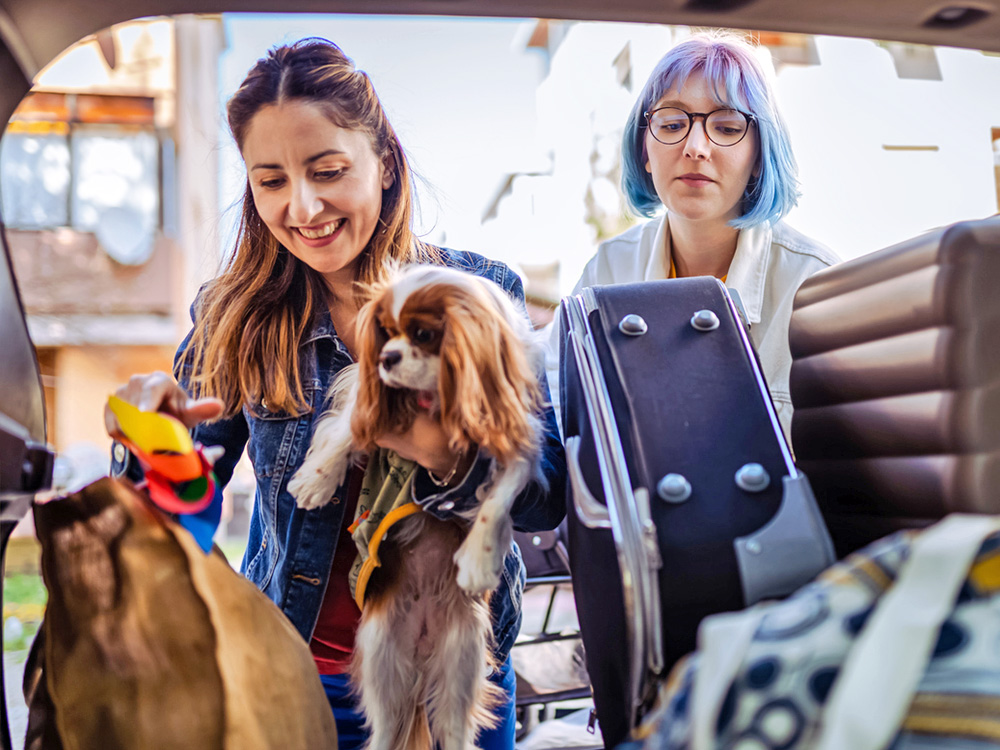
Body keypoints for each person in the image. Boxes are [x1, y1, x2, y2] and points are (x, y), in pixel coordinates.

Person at [104, 38, 566, 750]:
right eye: (271, 181)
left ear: (383, 161)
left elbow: (545, 494)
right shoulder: (234, 316)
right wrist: (150, 442)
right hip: (297, 678)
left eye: (327, 170)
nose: (304, 206)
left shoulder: (482, 294)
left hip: (456, 674)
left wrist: (449, 464)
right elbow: (173, 514)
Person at [547, 31, 839, 441]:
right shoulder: (608, 270)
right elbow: (554, 424)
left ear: (759, 156)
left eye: (725, 126)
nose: (696, 147)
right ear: (644, 151)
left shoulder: (813, 288)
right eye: (671, 123)